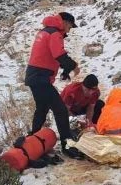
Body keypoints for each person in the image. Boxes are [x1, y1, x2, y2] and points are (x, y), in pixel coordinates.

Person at [24, 11, 84, 159]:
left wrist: (65, 70)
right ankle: (67, 145)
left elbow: (49, 55)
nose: (70, 30)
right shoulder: (55, 34)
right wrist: (74, 66)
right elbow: (59, 55)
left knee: (42, 108)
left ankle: (32, 138)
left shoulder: (45, 31)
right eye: (70, 26)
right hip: (40, 78)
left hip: (33, 76)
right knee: (60, 110)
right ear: (65, 22)